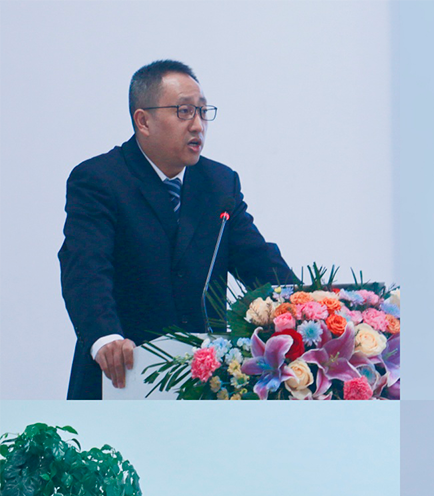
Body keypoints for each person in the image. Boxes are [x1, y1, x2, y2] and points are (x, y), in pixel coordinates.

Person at [60, 59, 296, 400]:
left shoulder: (219, 182)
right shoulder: (100, 180)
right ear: (143, 120)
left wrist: (306, 308)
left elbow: (258, 262)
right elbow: (86, 267)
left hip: (205, 381)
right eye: (184, 111)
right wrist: (105, 337)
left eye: (203, 112)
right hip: (121, 375)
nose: (198, 125)